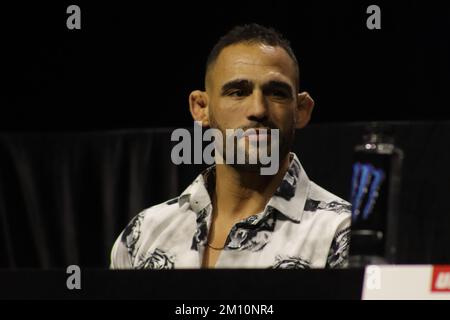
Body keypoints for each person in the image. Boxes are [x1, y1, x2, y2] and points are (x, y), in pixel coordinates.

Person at [110, 23, 351, 269]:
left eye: (276, 93)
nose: (258, 109)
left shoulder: (341, 235)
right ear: (201, 108)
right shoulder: (143, 235)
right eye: (237, 92)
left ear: (300, 110)